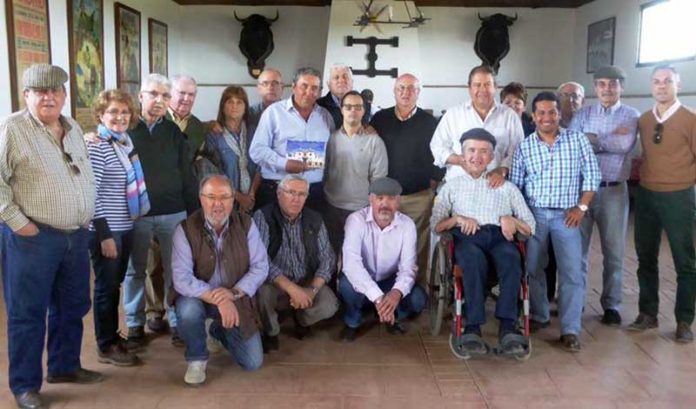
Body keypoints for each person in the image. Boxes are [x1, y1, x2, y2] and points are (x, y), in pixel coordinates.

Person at [0, 64, 100, 409]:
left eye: (55, 90)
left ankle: (65, 366)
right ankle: (26, 386)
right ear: (26, 95)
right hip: (33, 238)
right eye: (40, 91)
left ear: (64, 94)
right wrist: (17, 222)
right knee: (27, 313)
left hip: (75, 236)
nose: (49, 96)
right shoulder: (12, 129)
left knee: (72, 306)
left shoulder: (72, 127)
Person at [431, 128, 535, 356]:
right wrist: (457, 219)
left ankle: (508, 327)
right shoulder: (451, 187)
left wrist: (511, 220)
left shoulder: (507, 188)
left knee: (511, 257)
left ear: (491, 157)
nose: (477, 156)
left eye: (483, 151)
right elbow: (435, 225)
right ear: (462, 153)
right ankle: (473, 326)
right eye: (471, 150)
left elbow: (530, 226)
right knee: (472, 258)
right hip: (467, 238)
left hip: (500, 237)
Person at [510, 91, 600, 352]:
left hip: (567, 216)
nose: (546, 117)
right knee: (534, 267)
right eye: (541, 113)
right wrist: (521, 218)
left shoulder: (577, 141)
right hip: (535, 215)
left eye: (552, 112)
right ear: (533, 116)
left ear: (560, 114)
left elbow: (592, 177)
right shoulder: (525, 147)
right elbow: (516, 186)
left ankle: (570, 329)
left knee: (571, 272)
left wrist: (581, 207)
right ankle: (539, 315)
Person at [123, 73, 198, 349]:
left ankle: (177, 321)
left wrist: (192, 213)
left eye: (165, 96)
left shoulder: (173, 132)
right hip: (137, 215)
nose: (159, 100)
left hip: (173, 213)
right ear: (140, 96)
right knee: (135, 271)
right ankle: (134, 324)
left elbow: (187, 174)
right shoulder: (125, 130)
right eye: (153, 94)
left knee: (175, 270)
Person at [172, 174, 268, 385]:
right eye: (211, 197)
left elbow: (261, 267)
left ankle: (214, 330)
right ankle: (197, 359)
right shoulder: (185, 229)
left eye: (224, 197)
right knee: (188, 310)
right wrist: (220, 299)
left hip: (236, 296)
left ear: (233, 199)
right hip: (199, 298)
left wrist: (233, 293)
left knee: (252, 362)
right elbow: (182, 278)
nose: (217, 204)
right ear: (201, 198)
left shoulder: (246, 224)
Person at [628, 65, 696, 344]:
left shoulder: (690, 119)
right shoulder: (644, 120)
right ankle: (648, 312)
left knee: (684, 260)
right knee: (645, 257)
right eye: (656, 82)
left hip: (679, 195)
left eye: (667, 81)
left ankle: (683, 319)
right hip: (646, 194)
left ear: (677, 84)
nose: (661, 86)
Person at [569, 66, 640, 327]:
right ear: (595, 88)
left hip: (613, 191)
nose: (607, 89)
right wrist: (608, 140)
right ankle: (576, 303)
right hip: (582, 192)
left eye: (612, 84)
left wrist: (594, 140)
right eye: (601, 84)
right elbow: (576, 144)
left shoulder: (631, 115)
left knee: (614, 252)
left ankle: (611, 305)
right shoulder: (583, 113)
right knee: (578, 251)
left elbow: (625, 145)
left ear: (621, 86)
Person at [88, 89, 150, 367]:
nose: (120, 117)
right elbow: (92, 193)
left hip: (125, 226)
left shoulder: (124, 143)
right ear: (101, 114)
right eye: (113, 111)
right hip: (107, 229)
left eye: (125, 112)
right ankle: (106, 345)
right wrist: (104, 235)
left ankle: (113, 336)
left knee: (115, 285)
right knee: (106, 288)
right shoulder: (97, 146)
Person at [370, 73, 443, 284]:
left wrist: (433, 182)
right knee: (383, 245)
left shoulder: (430, 122)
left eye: (411, 88)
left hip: (418, 196)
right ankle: (382, 292)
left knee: (416, 246)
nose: (405, 92)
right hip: (385, 196)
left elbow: (440, 155)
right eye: (401, 88)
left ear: (418, 93)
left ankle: (415, 291)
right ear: (394, 91)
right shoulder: (380, 119)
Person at [253, 174, 338, 352]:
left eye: (301, 194)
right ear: (278, 193)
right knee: (261, 293)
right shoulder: (263, 216)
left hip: (305, 279)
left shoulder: (315, 219)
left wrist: (312, 290)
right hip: (275, 282)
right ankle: (271, 332)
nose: (295, 198)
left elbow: (327, 258)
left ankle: (301, 318)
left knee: (330, 304)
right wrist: (293, 290)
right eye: (290, 192)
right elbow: (260, 261)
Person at [339, 177, 428, 342]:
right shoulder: (355, 220)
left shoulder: (407, 225)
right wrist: (379, 298)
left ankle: (391, 313)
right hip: (363, 280)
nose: (385, 204)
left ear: (398, 202)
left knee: (418, 299)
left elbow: (408, 267)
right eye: (380, 198)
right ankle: (353, 321)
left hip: (389, 281)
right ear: (371, 200)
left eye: (391, 199)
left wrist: (396, 293)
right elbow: (352, 265)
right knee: (346, 286)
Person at [249, 66, 335, 210]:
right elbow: (257, 151)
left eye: (314, 88)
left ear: (320, 92)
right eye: (304, 86)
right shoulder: (274, 113)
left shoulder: (325, 116)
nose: (309, 92)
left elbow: (332, 152)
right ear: (294, 87)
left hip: (313, 192)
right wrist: (285, 164)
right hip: (276, 188)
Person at [430, 65, 524, 185]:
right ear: (469, 88)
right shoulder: (453, 114)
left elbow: (518, 152)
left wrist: (502, 170)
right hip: (458, 187)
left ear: (495, 87)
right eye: (477, 85)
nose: (483, 90)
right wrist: (460, 160)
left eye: (487, 84)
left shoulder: (509, 116)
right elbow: (437, 147)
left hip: (495, 189)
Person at [324, 90, 388, 253]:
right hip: (332, 207)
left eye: (358, 107)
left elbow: (379, 180)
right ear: (341, 109)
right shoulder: (330, 139)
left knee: (357, 259)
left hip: (361, 210)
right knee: (330, 256)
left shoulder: (375, 141)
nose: (353, 110)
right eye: (349, 106)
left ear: (364, 111)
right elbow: (323, 172)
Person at [199, 86, 260, 213]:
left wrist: (251, 195)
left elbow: (261, 165)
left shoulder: (254, 131)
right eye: (230, 102)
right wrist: (239, 197)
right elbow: (213, 172)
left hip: (254, 199)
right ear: (223, 106)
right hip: (224, 201)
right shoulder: (213, 134)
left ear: (245, 107)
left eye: (239, 102)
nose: (234, 106)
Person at [168, 74, 207, 155]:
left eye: (191, 94)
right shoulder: (155, 119)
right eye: (182, 93)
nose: (186, 99)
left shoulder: (198, 127)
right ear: (169, 93)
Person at [317, 63, 354, 128]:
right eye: (336, 77)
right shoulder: (317, 106)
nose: (341, 80)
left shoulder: (365, 106)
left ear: (352, 82)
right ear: (328, 84)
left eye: (345, 77)